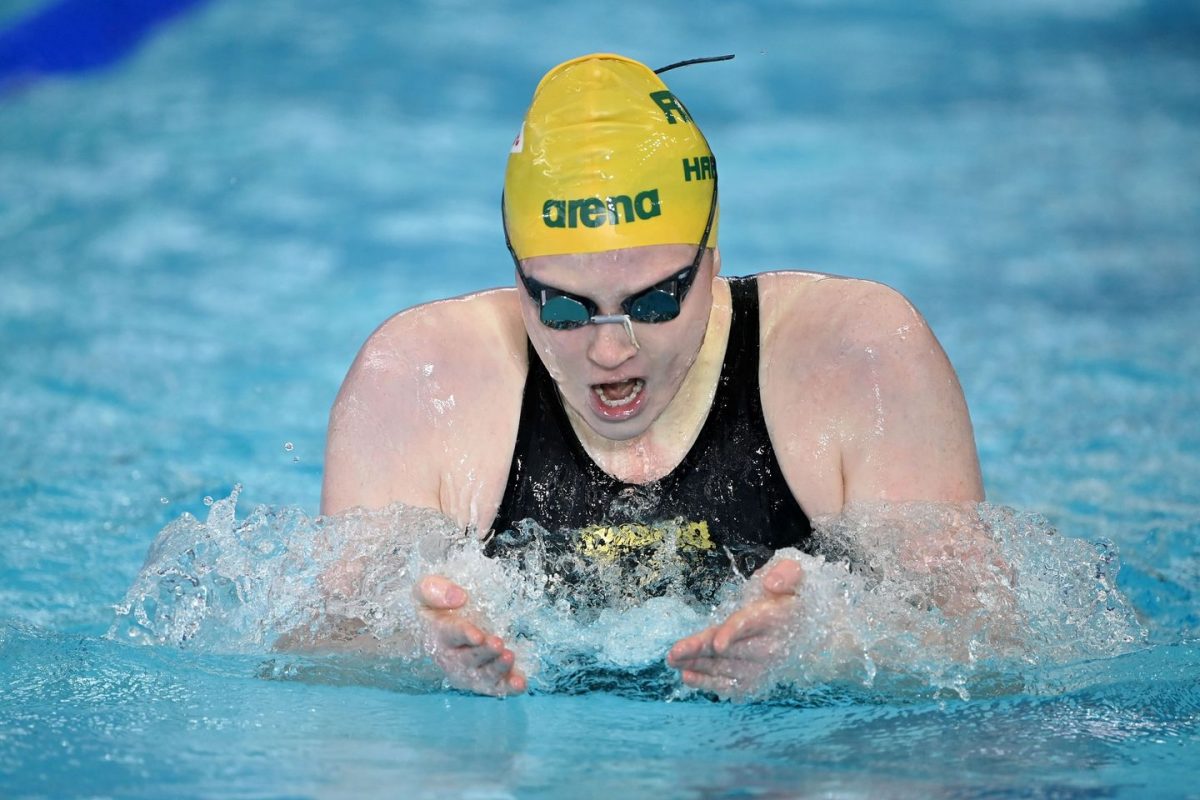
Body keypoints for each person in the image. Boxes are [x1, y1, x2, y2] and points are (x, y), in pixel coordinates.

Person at [319, 53, 984, 697]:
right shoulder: (417, 377)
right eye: (562, 307)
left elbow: (996, 648)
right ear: (516, 274)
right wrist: (410, 651)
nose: (611, 351)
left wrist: (828, 649)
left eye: (655, 302)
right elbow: (316, 656)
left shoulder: (857, 356)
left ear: (712, 257)